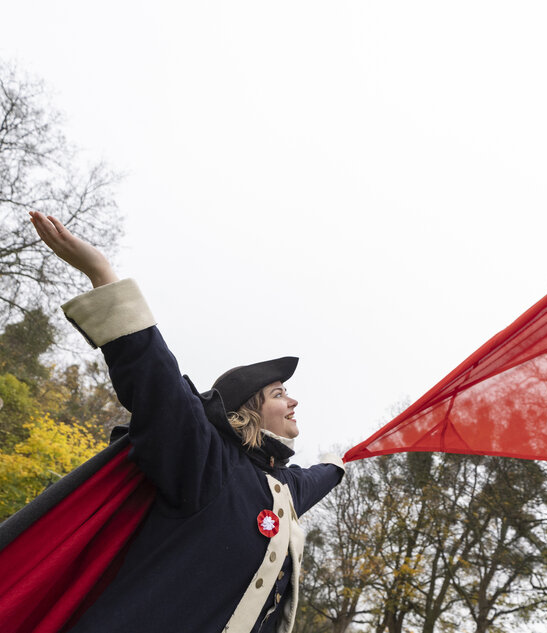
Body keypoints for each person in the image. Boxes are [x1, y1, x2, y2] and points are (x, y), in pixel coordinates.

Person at [26, 211, 346, 633]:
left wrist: (341, 463)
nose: (293, 400)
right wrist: (103, 274)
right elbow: (159, 385)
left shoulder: (286, 488)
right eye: (278, 393)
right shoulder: (207, 461)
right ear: (247, 412)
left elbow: (318, 478)